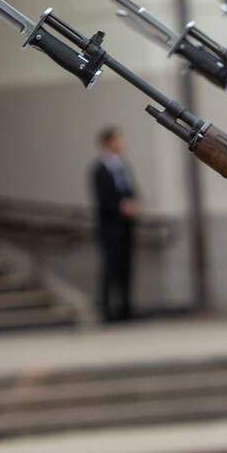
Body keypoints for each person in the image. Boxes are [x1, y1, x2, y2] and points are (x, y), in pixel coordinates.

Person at [91, 127, 137, 322]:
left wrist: (133, 203)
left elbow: (130, 189)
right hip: (110, 226)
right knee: (111, 268)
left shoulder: (123, 166)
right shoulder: (99, 169)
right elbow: (103, 198)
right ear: (109, 142)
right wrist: (120, 208)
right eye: (118, 140)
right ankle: (107, 310)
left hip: (126, 225)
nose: (122, 144)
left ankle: (125, 309)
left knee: (126, 267)